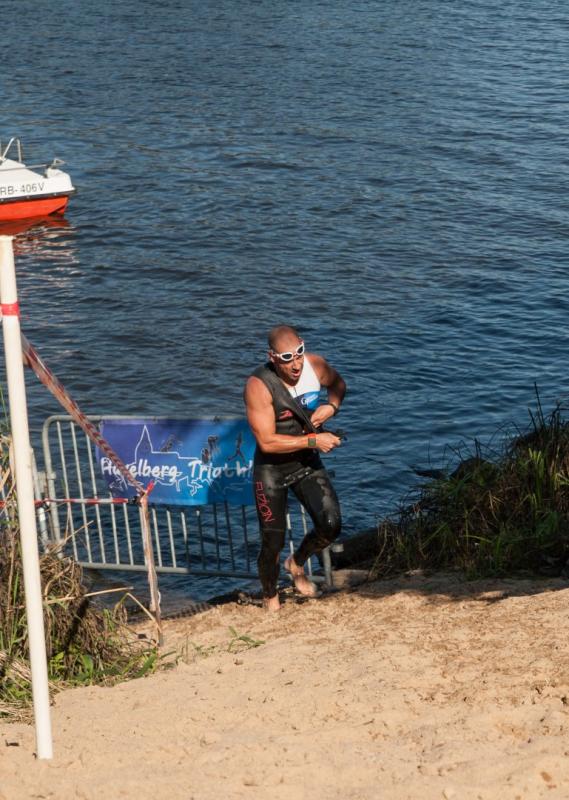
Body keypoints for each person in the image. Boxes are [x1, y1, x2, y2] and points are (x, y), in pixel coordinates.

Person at [244, 325, 346, 611]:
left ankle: (297, 562)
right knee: (272, 542)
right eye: (287, 358)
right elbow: (267, 442)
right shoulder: (258, 386)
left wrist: (332, 407)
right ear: (273, 357)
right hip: (271, 470)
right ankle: (271, 599)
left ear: (303, 345)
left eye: (299, 353)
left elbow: (339, 385)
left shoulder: (315, 366)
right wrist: (314, 440)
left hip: (306, 462)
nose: (296, 363)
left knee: (331, 525)